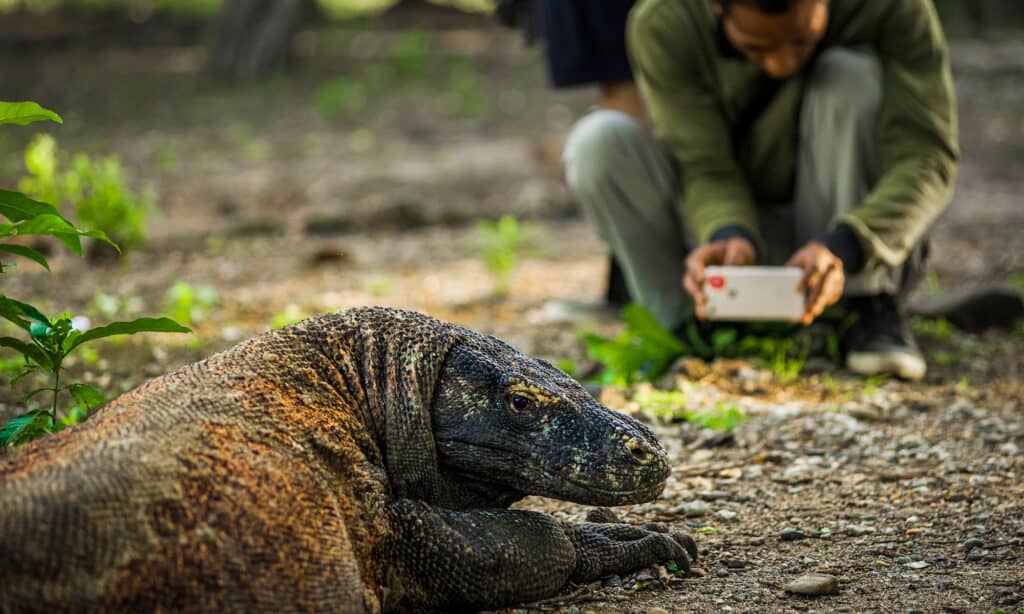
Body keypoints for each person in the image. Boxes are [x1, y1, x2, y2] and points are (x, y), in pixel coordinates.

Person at [562, 0, 959, 380]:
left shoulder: (892, 7)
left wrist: (848, 244)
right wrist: (728, 233)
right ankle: (685, 325)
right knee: (599, 140)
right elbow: (703, 163)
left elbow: (927, 157)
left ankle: (862, 311)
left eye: (801, 39)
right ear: (717, 6)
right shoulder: (665, 19)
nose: (782, 63)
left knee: (849, 75)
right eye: (756, 47)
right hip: (738, 240)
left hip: (848, 245)